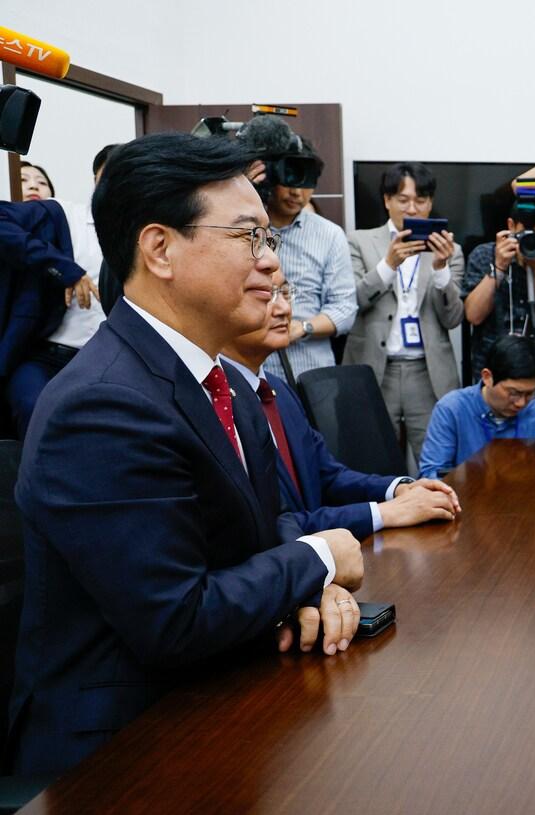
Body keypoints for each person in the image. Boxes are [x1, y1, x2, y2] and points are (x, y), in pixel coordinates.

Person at [10, 133, 366, 776]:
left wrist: (312, 585)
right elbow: (177, 619)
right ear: (160, 249)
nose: (271, 263)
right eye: (249, 237)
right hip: (125, 750)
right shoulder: (101, 406)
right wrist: (320, 557)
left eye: (269, 239)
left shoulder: (224, 383)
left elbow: (262, 529)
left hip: (227, 703)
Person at [221, 271, 461, 540]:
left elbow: (327, 477)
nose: (284, 309)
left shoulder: (279, 390)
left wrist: (398, 488)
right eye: (267, 296)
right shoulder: (220, 405)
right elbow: (275, 526)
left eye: (286, 293)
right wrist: (384, 512)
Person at [343, 162, 465, 472]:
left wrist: (441, 270)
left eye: (420, 200)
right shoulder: (359, 241)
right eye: (403, 199)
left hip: (426, 371)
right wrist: (388, 265)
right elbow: (352, 302)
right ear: (387, 200)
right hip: (373, 369)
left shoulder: (450, 250)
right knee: (372, 461)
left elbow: (453, 318)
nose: (412, 208)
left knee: (437, 463)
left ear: (430, 203)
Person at [5, 147, 110, 437]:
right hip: (44, 356)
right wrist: (64, 268)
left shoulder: (144, 235)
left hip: (105, 362)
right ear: (96, 179)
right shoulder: (61, 215)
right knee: (37, 412)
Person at [463, 185, 535, 431]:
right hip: (492, 384)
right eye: (526, 233)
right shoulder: (484, 255)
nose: (531, 240)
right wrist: (499, 267)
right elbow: (473, 315)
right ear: (510, 226)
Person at [259, 142, 356, 383]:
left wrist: (302, 328)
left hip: (311, 372)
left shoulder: (330, 235)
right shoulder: (245, 229)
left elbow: (344, 308)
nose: (297, 192)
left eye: (306, 182)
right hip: (255, 369)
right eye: (290, 179)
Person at [419, 334, 535, 477]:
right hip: (462, 490)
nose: (521, 403)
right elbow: (432, 474)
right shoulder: (452, 409)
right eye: (514, 393)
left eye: (529, 393)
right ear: (487, 377)